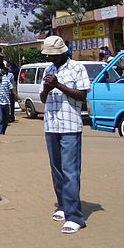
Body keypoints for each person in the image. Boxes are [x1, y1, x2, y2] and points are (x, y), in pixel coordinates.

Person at [40, 35, 90, 234]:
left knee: (70, 171)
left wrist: (59, 85)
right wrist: (47, 87)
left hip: (70, 126)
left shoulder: (77, 68)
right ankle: (63, 205)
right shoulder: (48, 70)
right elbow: (43, 99)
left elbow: (82, 96)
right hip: (51, 126)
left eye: (53, 55)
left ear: (62, 52)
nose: (50, 59)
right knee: (57, 171)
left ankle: (75, 216)